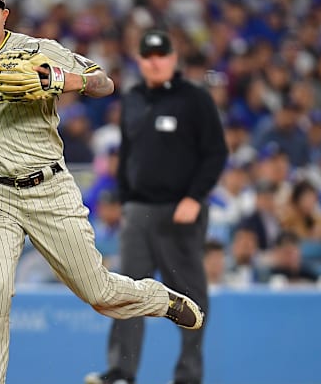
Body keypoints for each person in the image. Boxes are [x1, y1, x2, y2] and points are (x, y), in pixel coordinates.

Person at [0, 0, 204, 384]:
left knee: (100, 294)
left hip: (48, 188)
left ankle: (159, 299)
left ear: (5, 15)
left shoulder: (38, 49)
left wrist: (58, 79)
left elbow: (104, 83)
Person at [87, 29, 228, 384]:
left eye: (161, 55)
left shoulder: (195, 99)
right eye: (148, 56)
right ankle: (122, 371)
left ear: (173, 58)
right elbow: (128, 153)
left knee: (191, 297)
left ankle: (188, 375)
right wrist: (125, 200)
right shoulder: (132, 99)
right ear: (140, 60)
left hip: (180, 212)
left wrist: (195, 197)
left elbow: (216, 153)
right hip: (137, 213)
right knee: (126, 292)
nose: (155, 61)